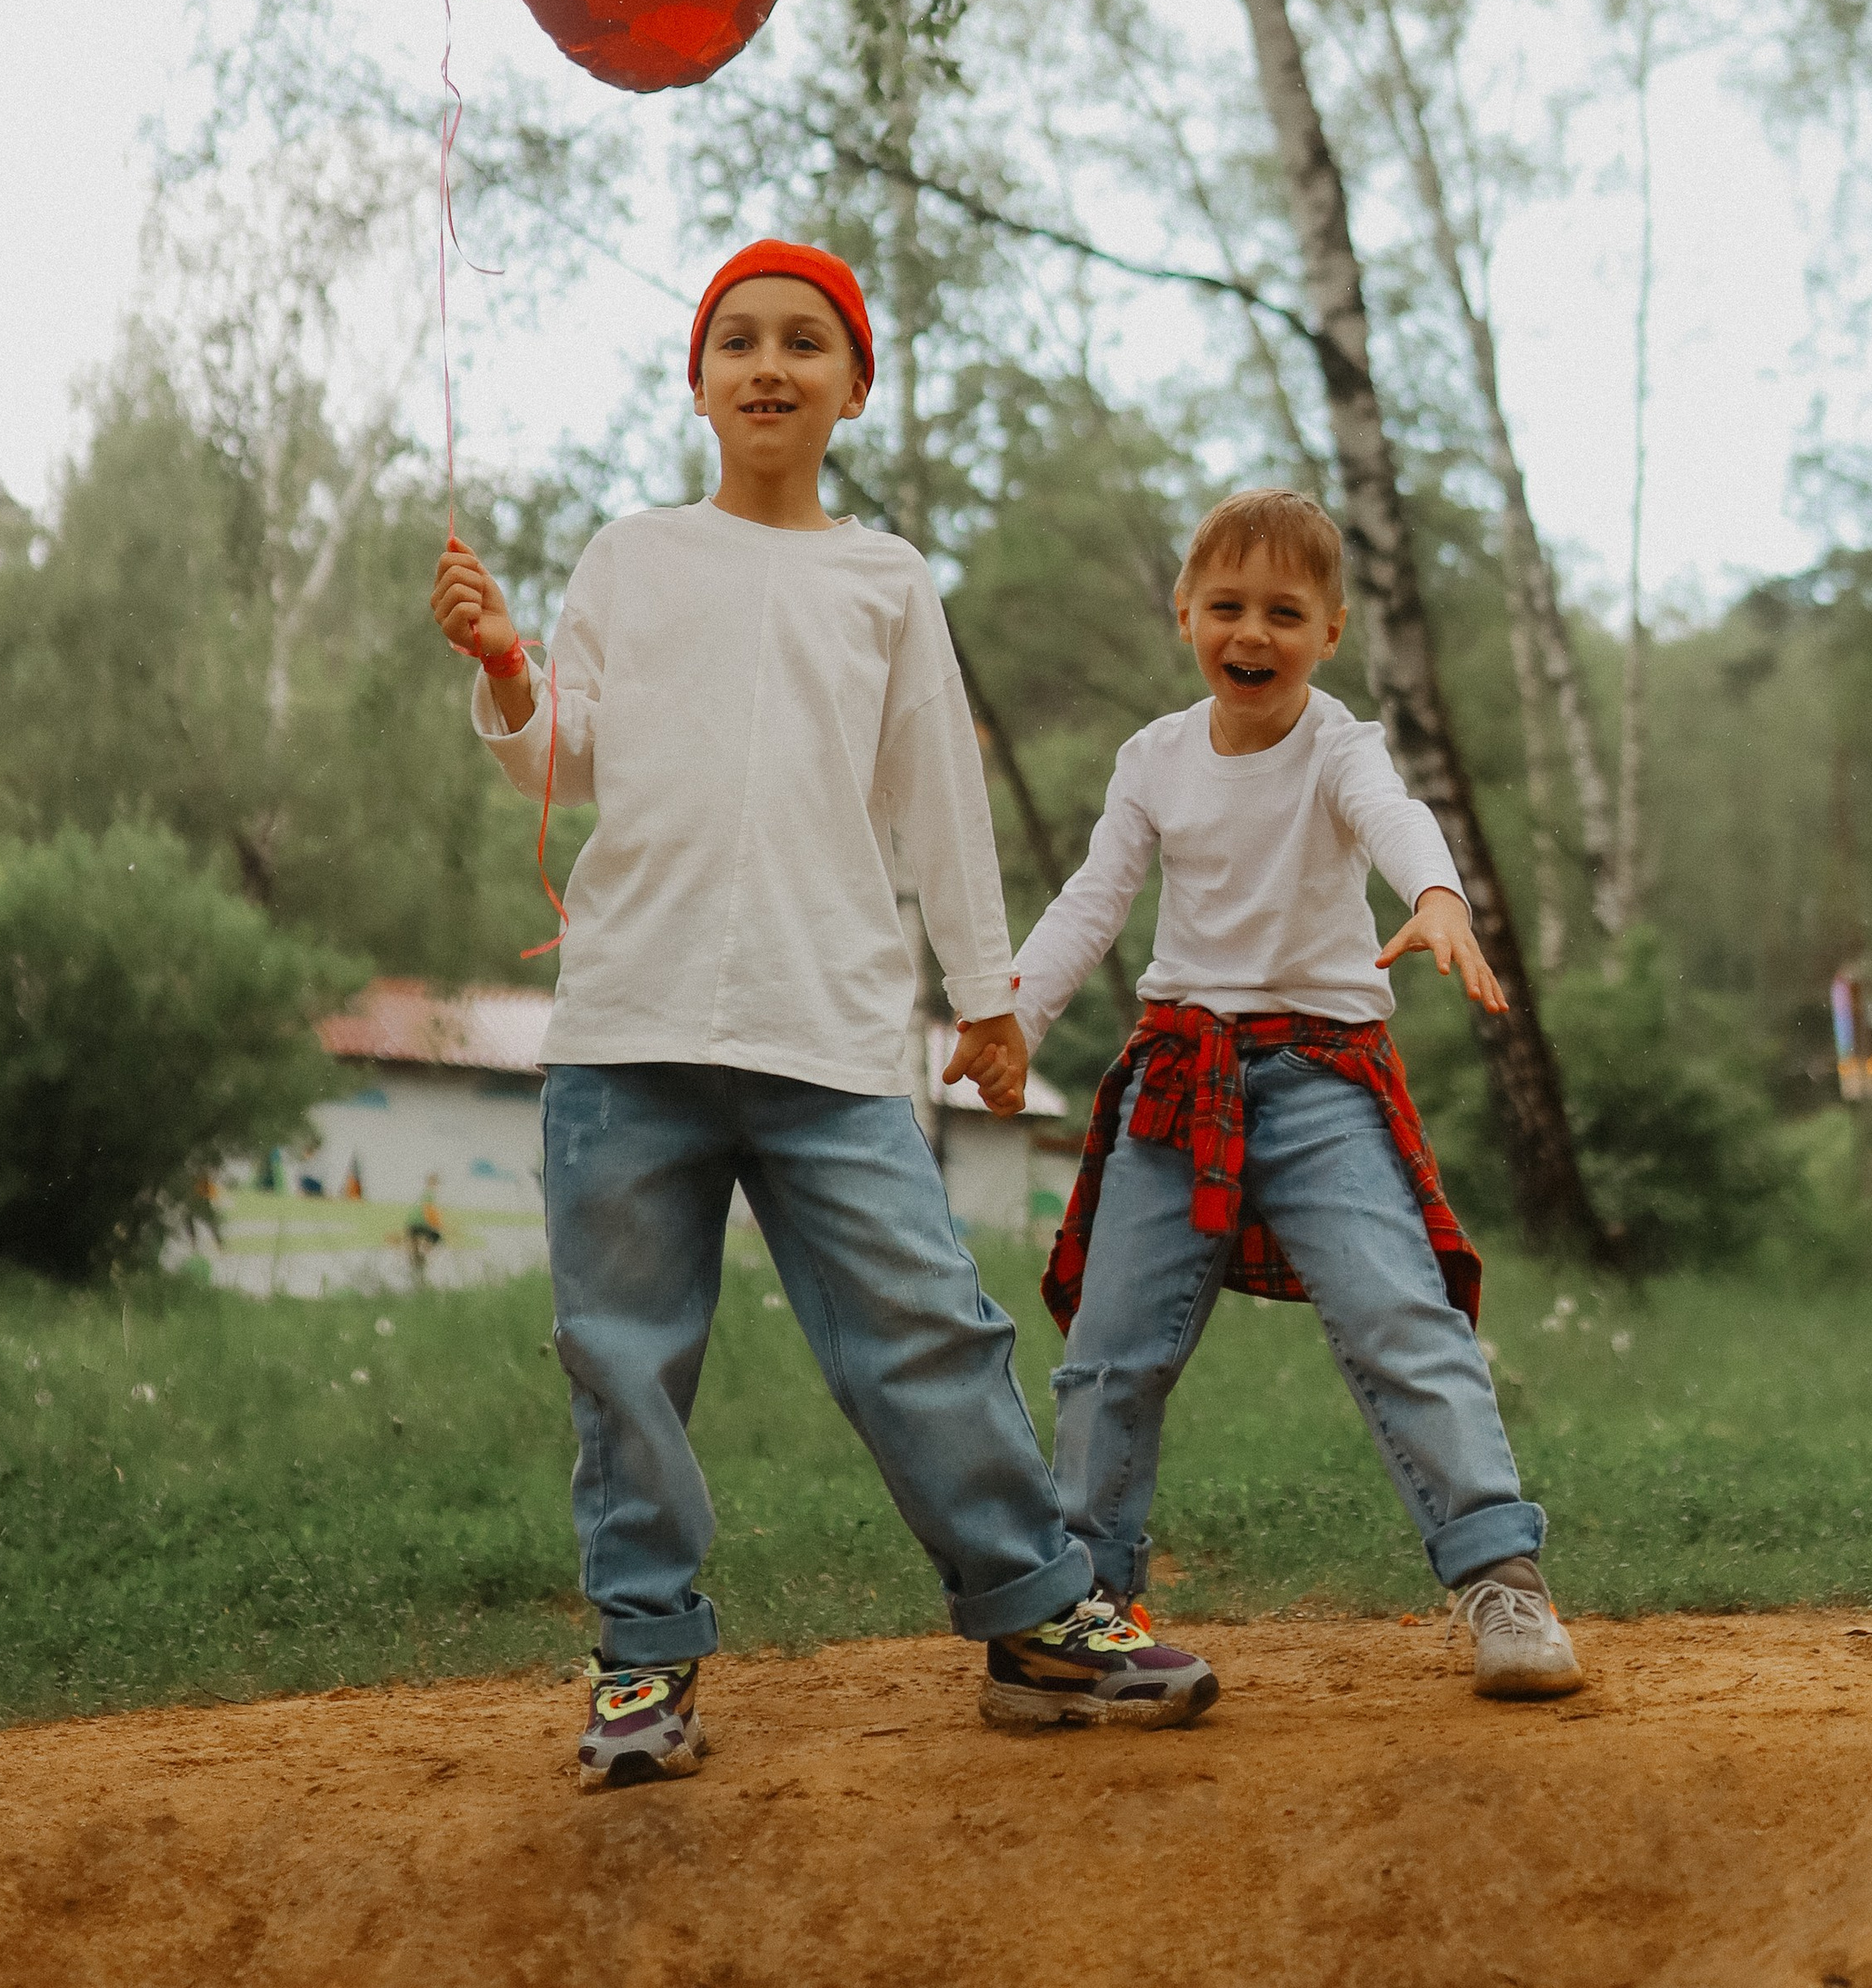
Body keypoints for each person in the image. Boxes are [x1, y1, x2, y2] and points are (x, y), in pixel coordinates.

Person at [430, 240, 1218, 1791]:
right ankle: (643, 1663)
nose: (770, 364)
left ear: (857, 385)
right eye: (738, 340)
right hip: (626, 1033)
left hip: (830, 1032)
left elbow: (942, 805)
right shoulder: (631, 556)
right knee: (625, 1361)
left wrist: (989, 1005)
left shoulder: (886, 581)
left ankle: (1041, 1622)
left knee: (930, 1329)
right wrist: (505, 660)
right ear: (700, 382)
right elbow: (557, 761)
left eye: (805, 341)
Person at [1012, 486, 1584, 1702]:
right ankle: (1090, 1609)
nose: (1252, 634)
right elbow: (1093, 901)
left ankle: (1503, 1584)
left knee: (1404, 1320)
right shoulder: (1154, 758)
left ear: (1329, 633)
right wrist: (1011, 1017)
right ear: (1186, 617)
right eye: (1228, 607)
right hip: (1181, 1076)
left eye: (1285, 612)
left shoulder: (1340, 745)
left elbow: (1396, 819)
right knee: (1109, 1355)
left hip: (1322, 1078)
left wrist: (1436, 899)